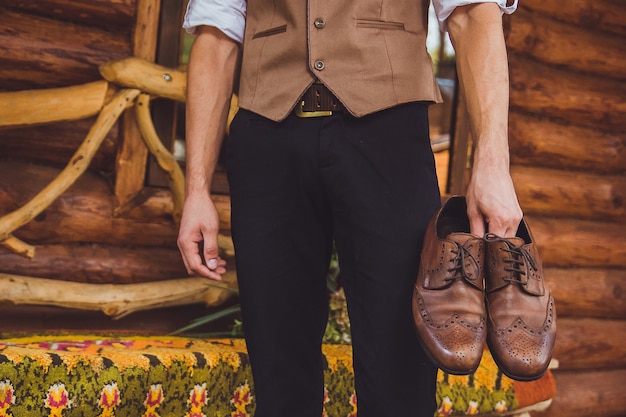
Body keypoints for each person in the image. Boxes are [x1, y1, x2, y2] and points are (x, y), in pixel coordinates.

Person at [177, 0, 522, 416]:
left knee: (400, 371)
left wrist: (492, 164)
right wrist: (196, 189)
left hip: (387, 136)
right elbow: (216, 35)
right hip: (267, 139)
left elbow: (472, 13)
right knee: (277, 367)